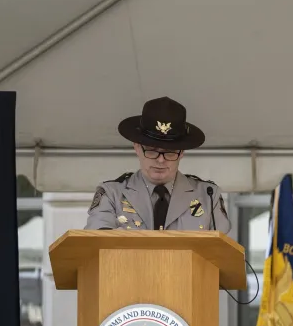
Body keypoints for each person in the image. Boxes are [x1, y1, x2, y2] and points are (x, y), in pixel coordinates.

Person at [85, 96, 231, 233]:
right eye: (152, 150)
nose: (160, 160)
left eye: (169, 152)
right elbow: (96, 246)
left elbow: (221, 253)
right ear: (137, 147)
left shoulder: (208, 196)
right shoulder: (112, 194)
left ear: (181, 153)